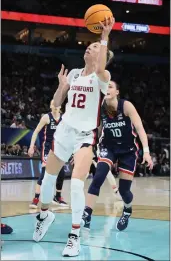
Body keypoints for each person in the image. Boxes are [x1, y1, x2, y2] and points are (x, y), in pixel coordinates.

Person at [32, 16, 115, 257]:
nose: (90, 47)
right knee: (47, 182)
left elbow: (100, 67)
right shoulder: (75, 73)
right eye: (90, 46)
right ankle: (45, 215)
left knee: (77, 185)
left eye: (95, 47)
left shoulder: (103, 77)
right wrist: (61, 86)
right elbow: (56, 103)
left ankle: (74, 236)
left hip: (84, 136)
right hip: (65, 130)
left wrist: (105, 36)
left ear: (103, 56)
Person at [82, 80, 153, 231]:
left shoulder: (126, 106)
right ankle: (86, 214)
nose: (107, 89)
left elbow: (140, 129)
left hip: (128, 150)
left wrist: (146, 152)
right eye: (105, 86)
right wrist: (89, 148)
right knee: (98, 177)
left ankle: (127, 210)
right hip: (109, 147)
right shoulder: (100, 108)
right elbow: (98, 130)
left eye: (110, 86)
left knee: (124, 191)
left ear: (117, 92)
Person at [28, 100, 68, 208]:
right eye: (53, 104)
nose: (55, 106)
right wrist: (32, 146)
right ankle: (36, 198)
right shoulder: (46, 117)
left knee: (61, 173)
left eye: (57, 104)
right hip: (47, 149)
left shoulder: (64, 118)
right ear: (50, 106)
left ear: (60, 107)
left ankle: (57, 197)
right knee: (45, 172)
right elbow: (36, 131)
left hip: (59, 149)